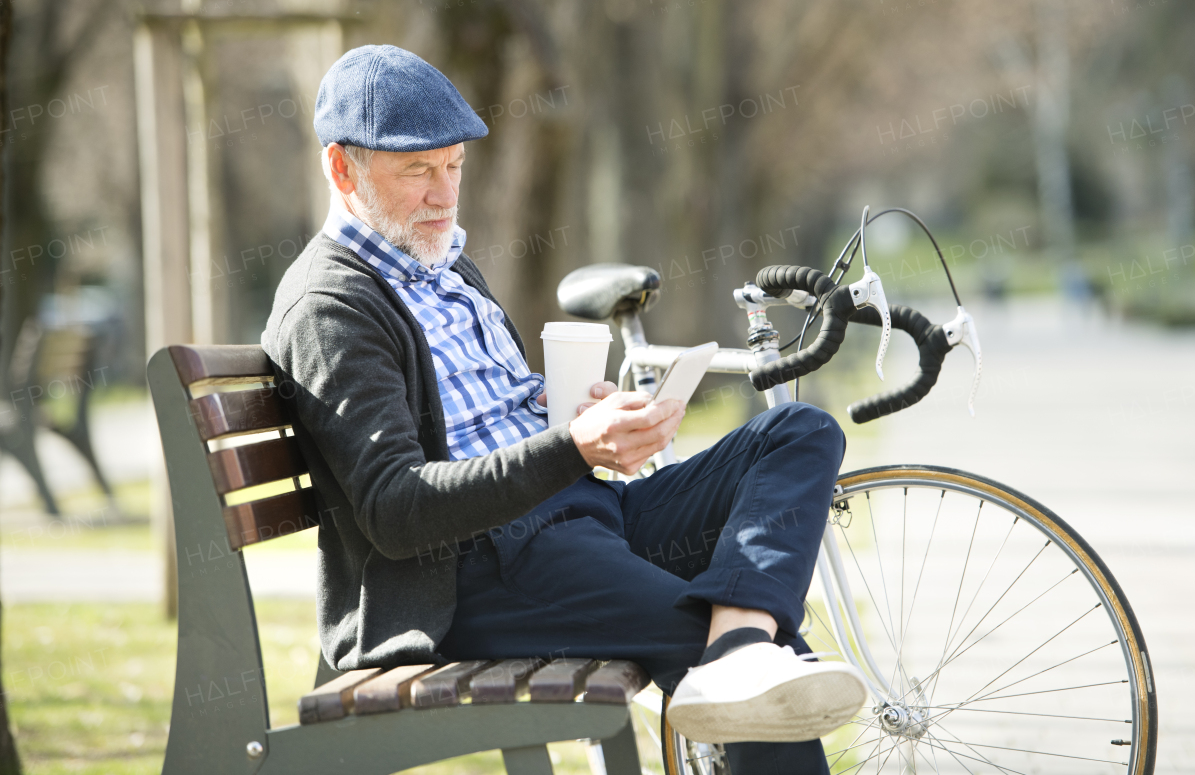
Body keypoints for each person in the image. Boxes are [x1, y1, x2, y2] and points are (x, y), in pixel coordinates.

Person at [262, 45, 866, 774]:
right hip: (469, 578)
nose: (444, 193)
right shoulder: (331, 307)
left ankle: (738, 640)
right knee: (760, 673)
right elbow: (397, 511)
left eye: (454, 166)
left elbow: (492, 421)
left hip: (581, 517)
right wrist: (574, 447)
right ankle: (738, 646)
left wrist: (573, 412)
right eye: (417, 170)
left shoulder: (446, 267)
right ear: (341, 170)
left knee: (797, 431)